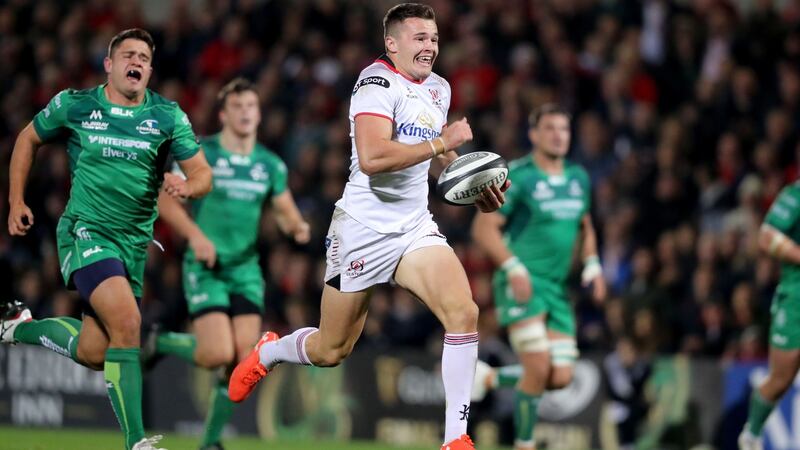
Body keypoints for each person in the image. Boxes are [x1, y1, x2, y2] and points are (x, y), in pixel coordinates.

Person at [227, 4, 507, 450]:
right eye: (419, 38)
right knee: (331, 350)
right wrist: (442, 141)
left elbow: (433, 155)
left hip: (413, 228)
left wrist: (472, 185)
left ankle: (455, 439)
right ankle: (271, 351)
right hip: (362, 229)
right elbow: (374, 159)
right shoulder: (375, 83)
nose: (430, 46)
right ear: (391, 44)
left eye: (434, 38)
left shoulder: (439, 88)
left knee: (464, 312)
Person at [1, 28, 212, 450]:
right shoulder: (76, 105)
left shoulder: (167, 116)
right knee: (129, 324)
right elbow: (28, 138)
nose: (137, 62)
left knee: (96, 352)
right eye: (128, 55)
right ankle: (136, 441)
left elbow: (203, 173)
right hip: (86, 232)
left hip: (132, 247)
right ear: (109, 64)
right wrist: (15, 200)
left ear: (150, 70)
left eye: (144, 58)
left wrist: (188, 187)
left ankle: (19, 328)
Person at [145, 77, 310, 450]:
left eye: (251, 106)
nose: (245, 113)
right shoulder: (202, 154)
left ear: (259, 114)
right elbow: (165, 200)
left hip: (245, 270)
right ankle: (162, 342)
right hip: (207, 267)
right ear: (223, 115)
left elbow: (285, 210)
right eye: (237, 106)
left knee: (241, 358)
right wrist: (196, 236)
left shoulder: (269, 164)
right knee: (217, 353)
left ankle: (210, 441)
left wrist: (297, 226)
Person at [470, 104, 606, 450]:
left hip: (557, 289)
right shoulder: (518, 176)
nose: (558, 135)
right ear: (533, 135)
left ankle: (489, 377)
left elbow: (585, 225)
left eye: (564, 129)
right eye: (550, 128)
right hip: (522, 283)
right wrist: (513, 267)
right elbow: (484, 229)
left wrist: (592, 263)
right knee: (538, 366)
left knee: (561, 377)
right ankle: (525, 444)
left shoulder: (578, 177)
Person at [739, 181, 800, 450]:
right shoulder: (795, 195)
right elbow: (766, 237)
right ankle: (751, 435)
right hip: (796, 298)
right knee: (782, 378)